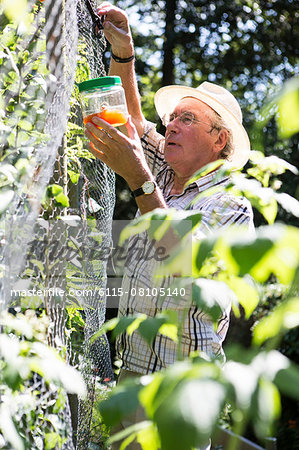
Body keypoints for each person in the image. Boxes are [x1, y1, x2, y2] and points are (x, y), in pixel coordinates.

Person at [84, 3, 254, 448]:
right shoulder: (168, 175)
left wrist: (139, 179)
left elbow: (185, 264)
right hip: (131, 380)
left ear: (219, 140)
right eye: (172, 117)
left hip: (181, 396)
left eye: (186, 119)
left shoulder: (231, 204)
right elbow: (135, 125)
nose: (170, 125)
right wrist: (124, 54)